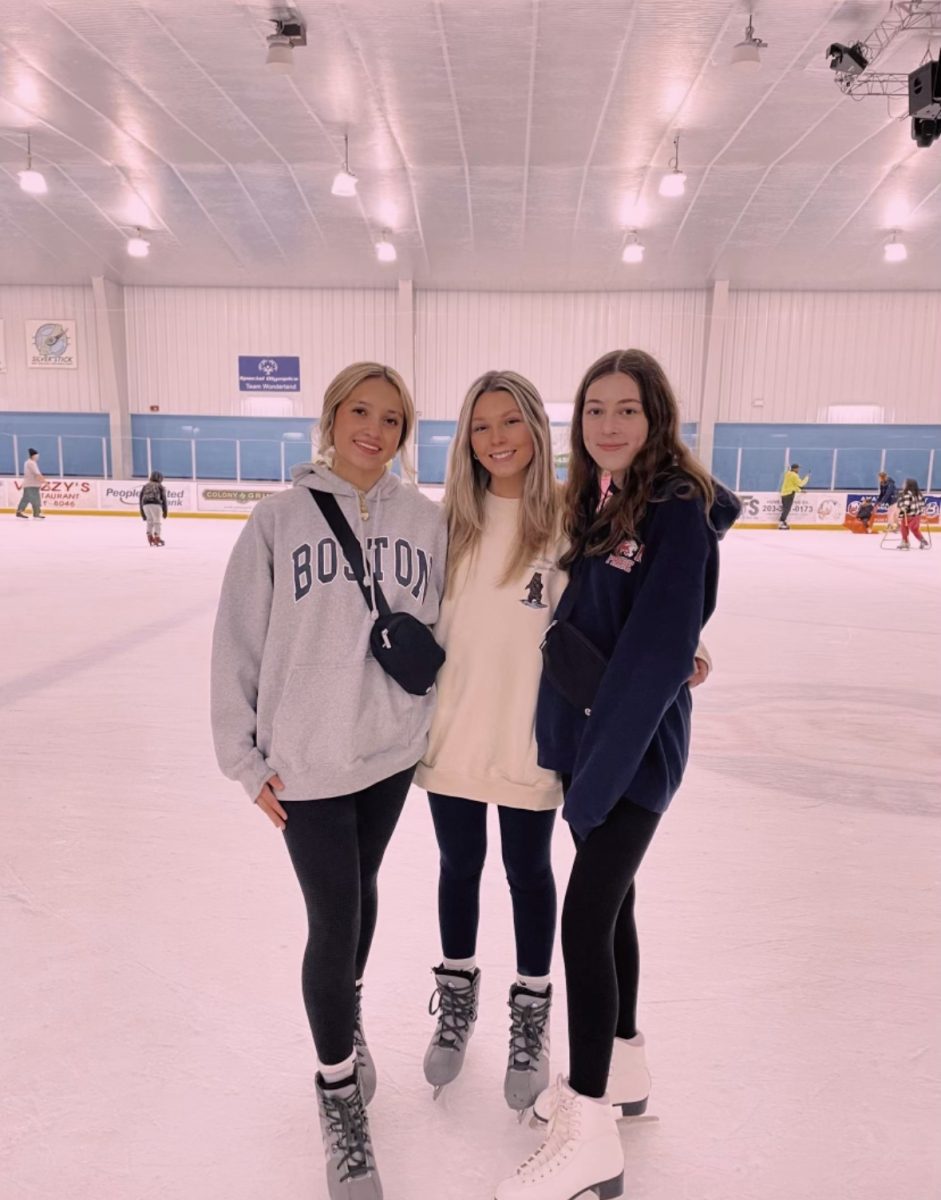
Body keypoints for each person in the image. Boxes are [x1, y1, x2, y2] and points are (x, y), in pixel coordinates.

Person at [417, 371, 713, 1118]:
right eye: (480, 426)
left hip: (534, 734)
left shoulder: (571, 521)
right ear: (465, 439)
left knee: (528, 871)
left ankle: (530, 1008)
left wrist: (693, 642)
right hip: (454, 729)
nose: (496, 439)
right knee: (458, 865)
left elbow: (631, 599)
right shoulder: (446, 522)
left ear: (535, 430)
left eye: (510, 422)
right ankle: (456, 995)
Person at [496, 350, 739, 1200]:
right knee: (617, 907)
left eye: (626, 410)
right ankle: (626, 1070)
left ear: (656, 416)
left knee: (584, 919)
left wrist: (599, 778)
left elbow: (655, 650)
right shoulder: (604, 501)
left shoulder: (675, 510)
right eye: (595, 409)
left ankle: (591, 1125)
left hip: (631, 753)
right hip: (591, 742)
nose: (609, 424)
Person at [210, 362, 447, 1200]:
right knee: (334, 910)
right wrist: (243, 760)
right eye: (359, 411)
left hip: (385, 755)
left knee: (365, 886)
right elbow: (236, 643)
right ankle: (336, 1087)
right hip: (306, 760)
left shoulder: (425, 521)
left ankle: (341, 1020)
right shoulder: (276, 520)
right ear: (331, 416)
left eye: (391, 419)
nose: (373, 430)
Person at [896, 478, 929, 550]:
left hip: (907, 515)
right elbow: (923, 505)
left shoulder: (906, 493)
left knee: (903, 528)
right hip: (917, 516)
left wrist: (899, 503)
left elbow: (905, 505)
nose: (903, 485)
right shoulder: (919, 494)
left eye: (904, 483)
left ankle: (905, 541)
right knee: (915, 529)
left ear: (908, 485)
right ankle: (922, 539)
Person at [15, 448, 46, 519]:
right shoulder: (30, 463)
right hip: (30, 484)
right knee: (32, 499)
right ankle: (23, 512)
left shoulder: (32, 463)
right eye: (36, 456)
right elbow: (37, 474)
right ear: (33, 456)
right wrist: (44, 481)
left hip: (34, 484)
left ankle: (36, 513)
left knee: (31, 499)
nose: (38, 457)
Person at [139, 471, 168, 546]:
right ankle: (157, 537)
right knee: (157, 522)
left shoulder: (145, 486)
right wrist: (165, 511)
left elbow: (140, 499)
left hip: (145, 504)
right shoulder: (160, 486)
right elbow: (164, 499)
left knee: (149, 521)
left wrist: (142, 513)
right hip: (156, 503)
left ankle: (149, 536)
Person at [778, 463, 808, 530]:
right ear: (794, 469)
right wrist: (806, 478)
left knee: (785, 508)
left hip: (784, 493)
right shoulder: (794, 475)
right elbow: (801, 484)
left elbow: (793, 485)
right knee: (787, 509)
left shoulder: (787, 474)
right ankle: (781, 521)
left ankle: (783, 521)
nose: (798, 470)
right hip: (789, 494)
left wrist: (800, 491)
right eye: (797, 468)